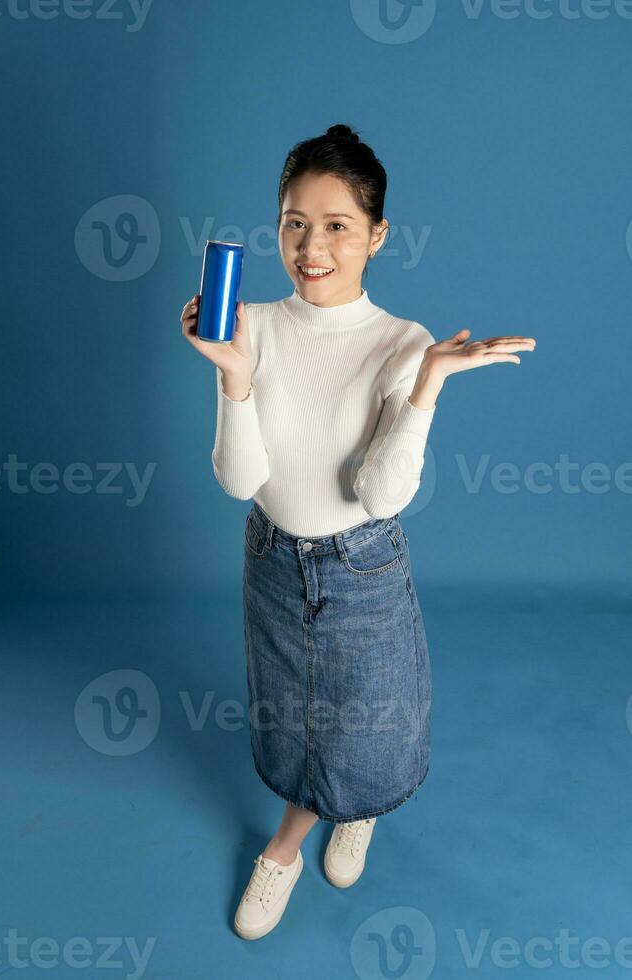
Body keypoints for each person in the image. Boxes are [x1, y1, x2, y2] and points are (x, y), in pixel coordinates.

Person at [181, 123, 536, 940]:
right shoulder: (253, 325)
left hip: (361, 565)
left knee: (364, 720)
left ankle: (349, 812)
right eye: (293, 222)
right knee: (290, 712)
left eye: (337, 226)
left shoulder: (402, 343)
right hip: (272, 557)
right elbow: (240, 481)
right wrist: (234, 375)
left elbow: (379, 494)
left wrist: (429, 385)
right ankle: (290, 845)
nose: (311, 246)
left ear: (377, 235)